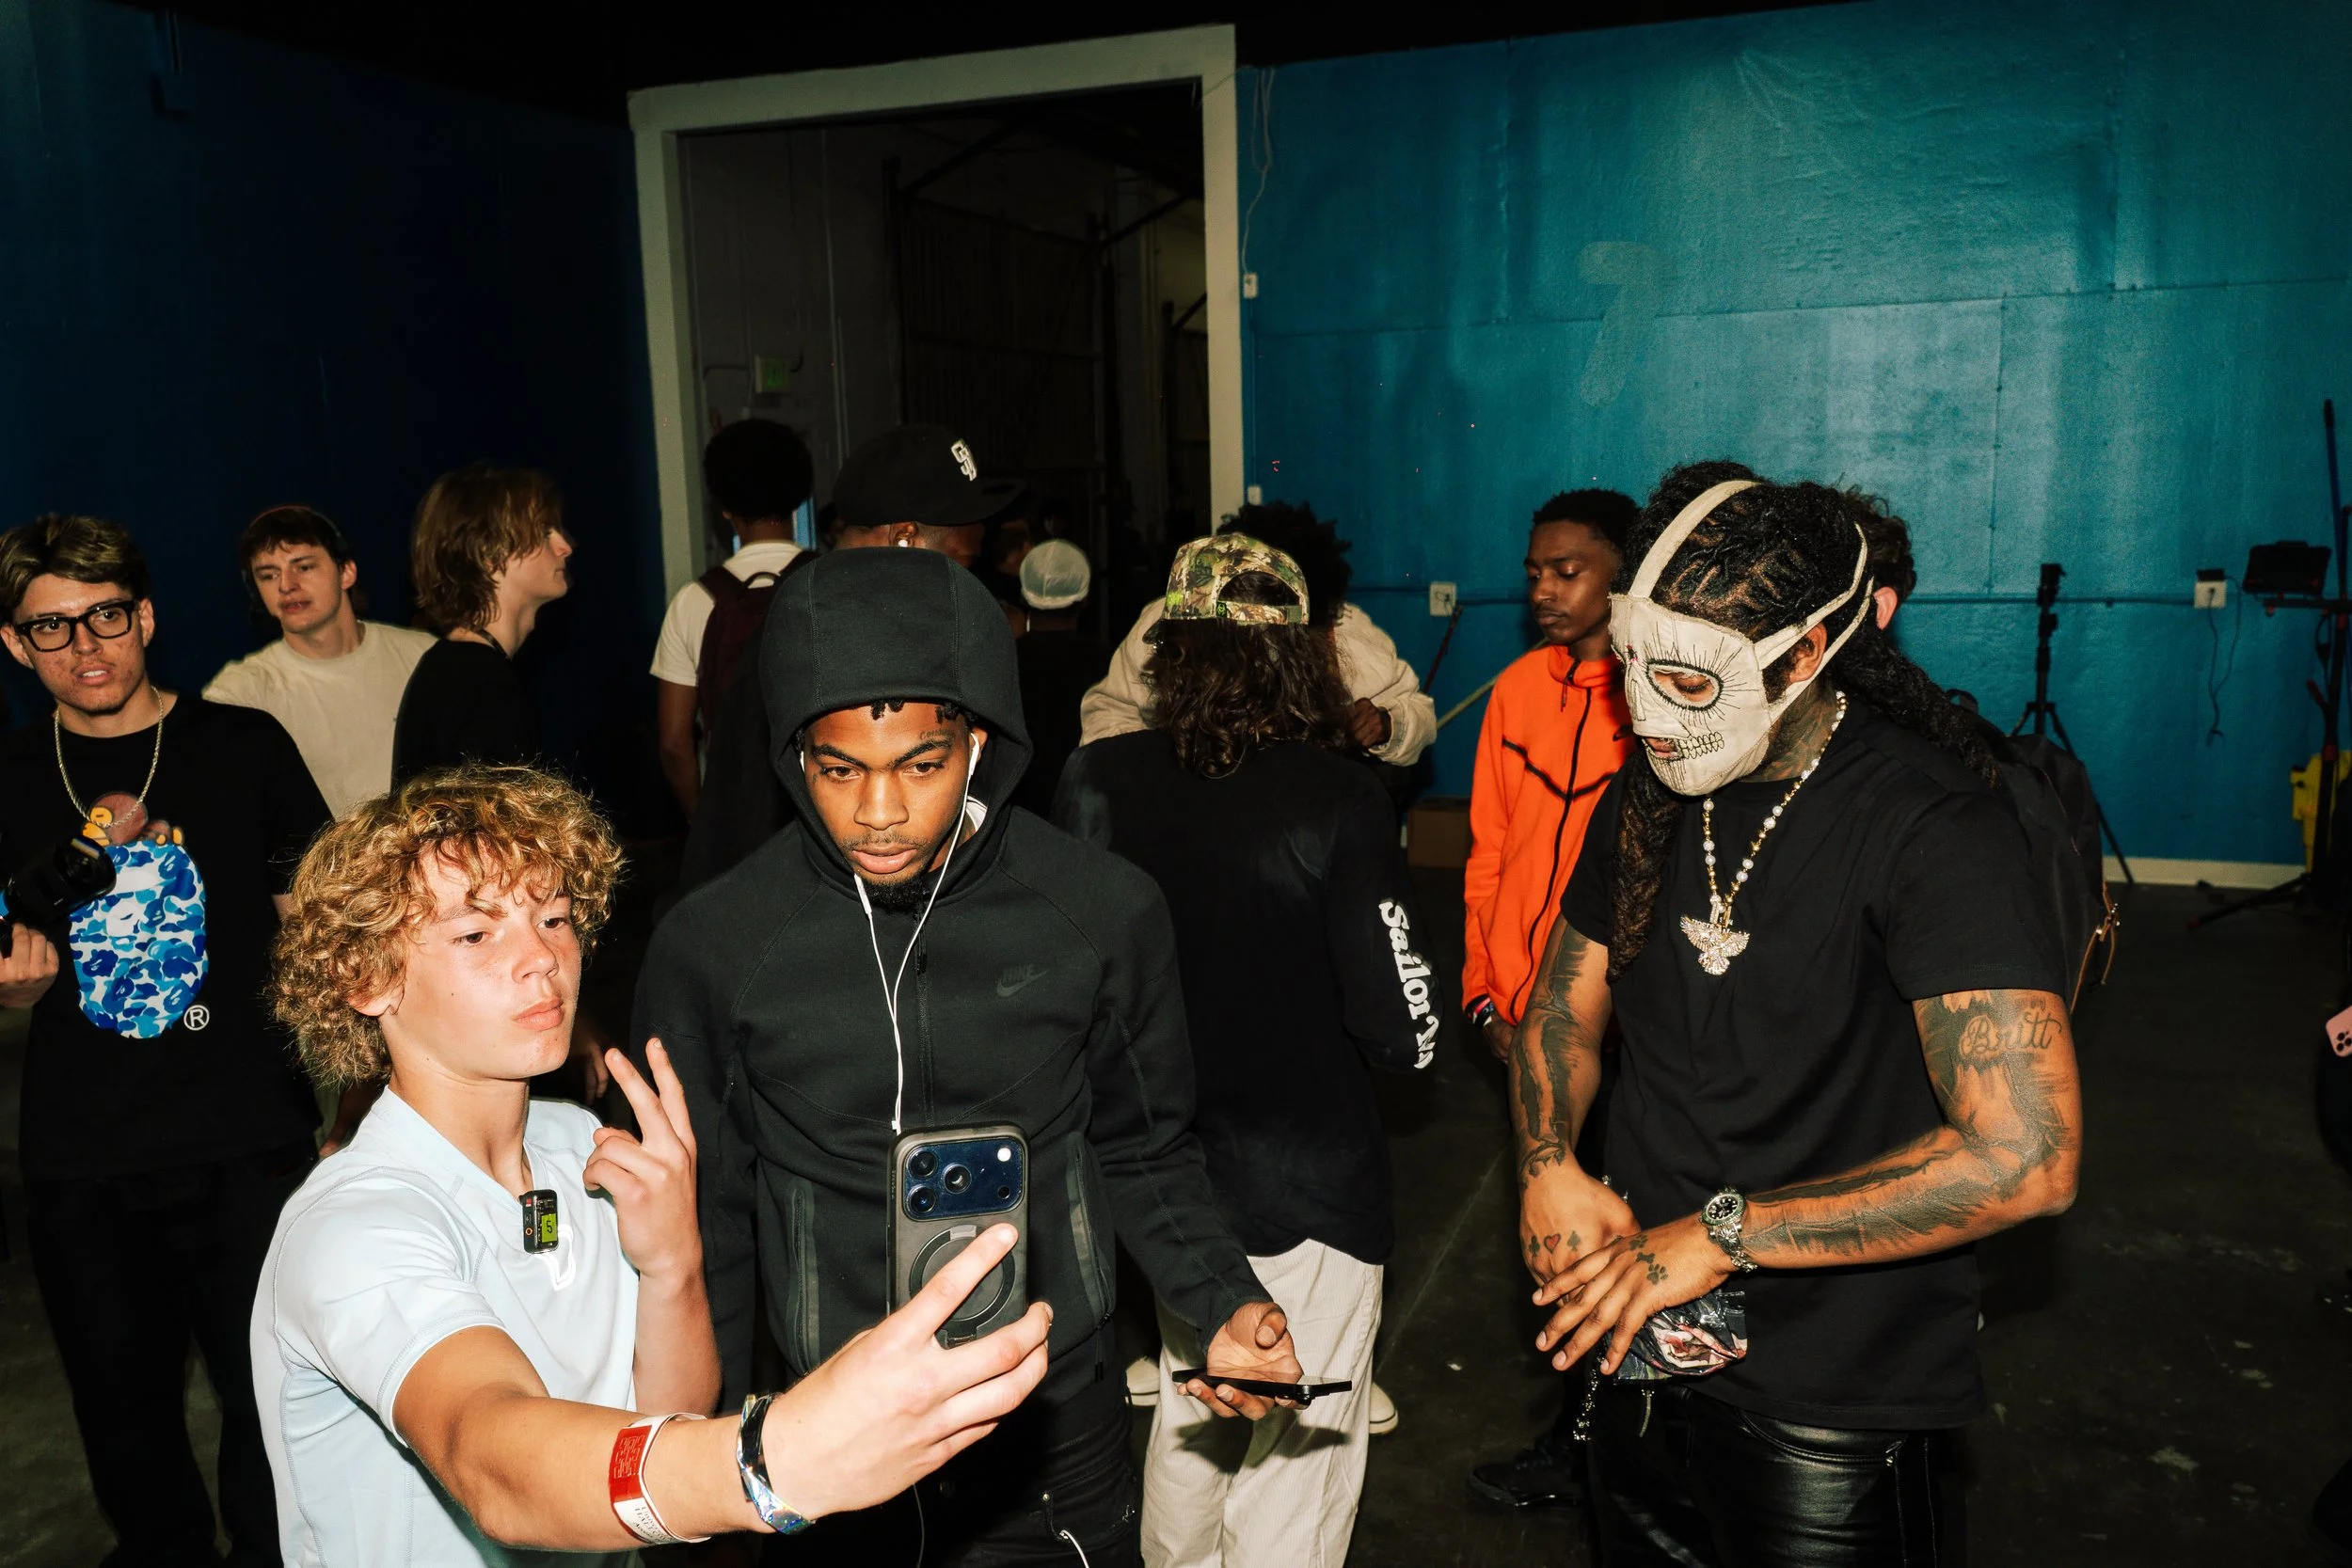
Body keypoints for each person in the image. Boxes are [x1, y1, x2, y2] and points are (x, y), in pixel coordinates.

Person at [638, 546, 1304, 1567]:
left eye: (920, 762)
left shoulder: (1099, 909)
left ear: (978, 741)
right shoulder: (719, 945)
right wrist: (707, 1471)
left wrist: (1220, 1297)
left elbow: (1144, 1147)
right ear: (791, 755)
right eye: (838, 767)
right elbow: (707, 1224)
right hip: (824, 1436)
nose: (878, 811)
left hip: (1050, 1433)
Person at [253, 765, 1055, 1565]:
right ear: (367, 977)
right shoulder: (355, 1226)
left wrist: (674, 1261)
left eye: (557, 918)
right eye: (477, 932)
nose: (542, 958)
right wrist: (773, 1460)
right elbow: (490, 1460)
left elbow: (663, 1418)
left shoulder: (577, 1145)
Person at [1511, 465, 2082, 1565]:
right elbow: (1561, 1009)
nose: (1647, 712)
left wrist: (1722, 1235)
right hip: (1638, 1344)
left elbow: (2029, 1154)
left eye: (1686, 680)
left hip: (1834, 1396)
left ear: (1806, 653)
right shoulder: (1651, 790)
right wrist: (1546, 1161)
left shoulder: (1933, 827)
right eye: (1634, 669)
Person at [1055, 531, 1437, 1567]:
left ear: (1168, 648)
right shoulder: (1339, 797)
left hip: (1155, 1175)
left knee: (1196, 1403)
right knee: (1296, 1450)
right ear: (1305, 651)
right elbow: (1402, 1032)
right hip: (1302, 1177)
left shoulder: (1092, 780)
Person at [0, 513, 333, 1567]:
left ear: (144, 616)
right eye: (50, 628)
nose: (84, 646)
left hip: (246, 1135)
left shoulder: (242, 745)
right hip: (84, 1157)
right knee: (126, 1426)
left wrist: (369, 1094)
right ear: (16, 644)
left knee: (273, 1407)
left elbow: (323, 920)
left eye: (104, 615)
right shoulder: (8, 773)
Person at [1455, 487, 1635, 1513]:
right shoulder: (1518, 689)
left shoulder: (1655, 695)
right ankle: (1580, 1444)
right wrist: (1487, 999)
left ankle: (1606, 1448)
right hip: (1525, 1027)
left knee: (1624, 1239)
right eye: (1533, 570)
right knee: (1560, 1244)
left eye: (1567, 569)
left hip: (1630, 1032)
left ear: (1620, 570)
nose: (1543, 588)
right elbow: (1487, 856)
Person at [673, 423, 1024, 894]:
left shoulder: (877, 631)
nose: (970, 582)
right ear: (905, 539)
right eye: (963, 561)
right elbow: (743, 830)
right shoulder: (804, 643)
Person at [1080, 502, 1436, 768]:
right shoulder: (1171, 623)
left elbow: (1418, 713)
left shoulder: (1340, 631)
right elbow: (1107, 715)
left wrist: (1387, 723)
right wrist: (1159, 767)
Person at [204, 504, 437, 816]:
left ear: (346, 572)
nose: (286, 585)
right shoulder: (242, 693)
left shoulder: (424, 656)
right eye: (269, 575)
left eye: (303, 567)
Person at [651, 419, 815, 817]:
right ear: (799, 496)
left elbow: (674, 741)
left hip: (734, 818)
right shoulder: (831, 583)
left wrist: (703, 826)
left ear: (724, 509)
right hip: (821, 808)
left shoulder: (695, 601)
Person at [390, 464, 572, 786]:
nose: (564, 547)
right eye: (544, 533)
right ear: (488, 554)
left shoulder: (457, 667)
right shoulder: (476, 681)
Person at [1008, 537, 1109, 819]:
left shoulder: (1004, 660)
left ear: (1024, 595)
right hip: (1086, 809)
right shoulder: (1107, 662)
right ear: (1085, 597)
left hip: (1018, 811)